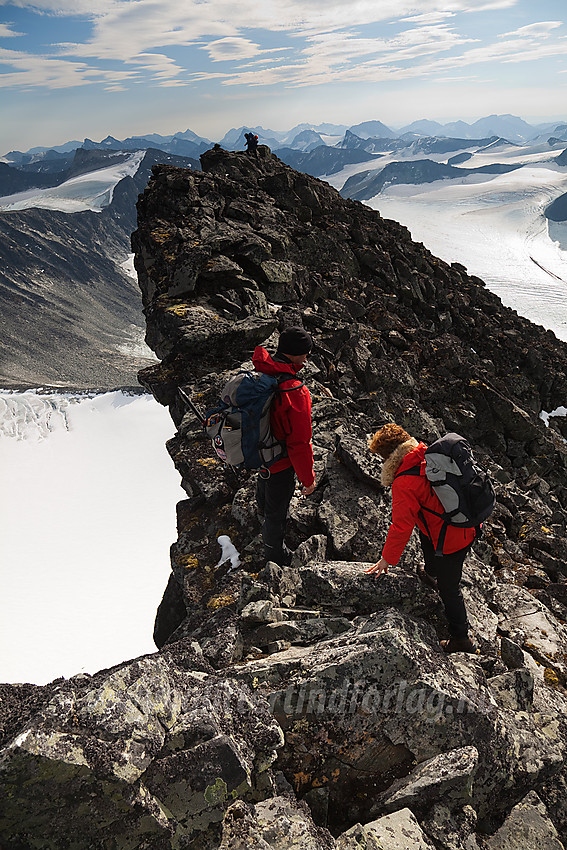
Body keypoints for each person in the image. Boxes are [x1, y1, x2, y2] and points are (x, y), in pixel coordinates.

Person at [365, 423, 476, 653]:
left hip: (452, 539)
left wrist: (387, 559)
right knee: (426, 536)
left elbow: (401, 526)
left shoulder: (404, 481)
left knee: (449, 588)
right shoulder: (426, 454)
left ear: (388, 456)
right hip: (468, 525)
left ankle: (461, 639)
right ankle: (431, 572)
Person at [253, 327, 316, 566]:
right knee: (276, 514)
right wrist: (308, 480)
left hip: (259, 452)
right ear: (294, 354)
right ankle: (275, 555)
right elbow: (299, 443)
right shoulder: (294, 390)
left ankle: (261, 515)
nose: (307, 358)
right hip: (279, 461)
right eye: (305, 353)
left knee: (265, 491)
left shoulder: (262, 372)